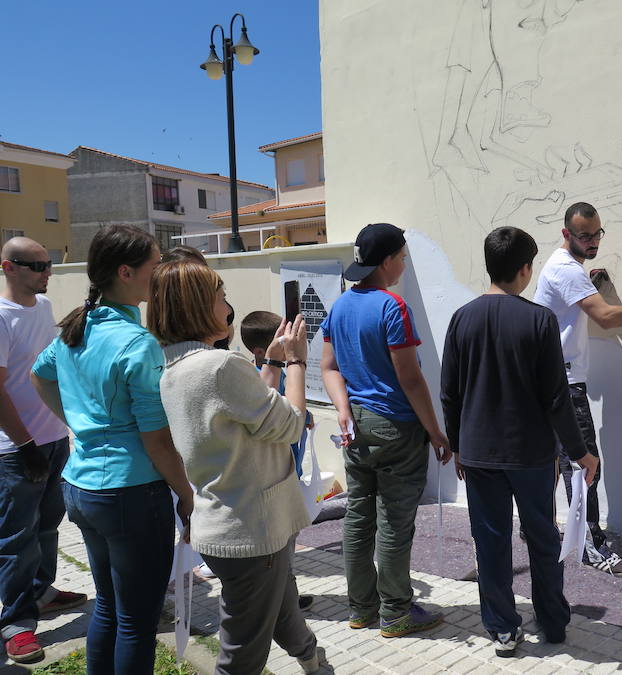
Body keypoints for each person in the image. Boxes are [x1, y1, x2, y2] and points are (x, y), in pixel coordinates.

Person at [30, 225, 193, 674]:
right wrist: (188, 494)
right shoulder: (136, 343)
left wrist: (80, 425)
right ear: (126, 272)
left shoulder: (76, 328)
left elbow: (39, 375)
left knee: (109, 607)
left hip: (82, 486)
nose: (159, 273)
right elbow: (157, 440)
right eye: (154, 264)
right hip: (130, 494)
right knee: (136, 621)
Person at [148, 262, 320, 675]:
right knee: (241, 655)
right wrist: (297, 362)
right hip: (251, 532)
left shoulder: (174, 365)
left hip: (228, 522)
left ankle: (312, 659)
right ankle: (311, 658)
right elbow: (291, 423)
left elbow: (252, 412)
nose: (228, 308)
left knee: (280, 613)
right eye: (221, 297)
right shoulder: (219, 366)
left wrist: (274, 363)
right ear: (197, 307)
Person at [441, 226, 598, 655]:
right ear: (526, 270)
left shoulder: (462, 318)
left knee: (490, 541)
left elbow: (449, 392)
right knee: (542, 536)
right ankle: (552, 622)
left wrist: (456, 445)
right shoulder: (539, 319)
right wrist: (580, 451)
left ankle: (503, 629)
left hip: (478, 453)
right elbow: (555, 397)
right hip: (531, 454)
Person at [533, 202, 622, 577]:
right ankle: (592, 548)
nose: (593, 240)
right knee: (584, 467)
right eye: (585, 236)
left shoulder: (566, 268)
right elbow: (605, 316)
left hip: (546, 379)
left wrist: (590, 282)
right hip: (564, 385)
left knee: (550, 465)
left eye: (598, 233)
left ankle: (538, 530)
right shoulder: (567, 270)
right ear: (567, 234)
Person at [321, 223, 451, 638]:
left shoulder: (340, 306)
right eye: (403, 258)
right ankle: (395, 612)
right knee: (394, 521)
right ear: (387, 261)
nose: (404, 264)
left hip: (356, 426)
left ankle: (361, 608)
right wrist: (436, 431)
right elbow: (410, 379)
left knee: (358, 517)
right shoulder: (392, 306)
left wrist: (343, 409)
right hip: (396, 427)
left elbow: (327, 367)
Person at [0, 238, 87, 664]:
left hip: (53, 439)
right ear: (8, 267)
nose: (46, 272)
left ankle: (42, 591)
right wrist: (26, 444)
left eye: (48, 263)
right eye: (35, 266)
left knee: (49, 525)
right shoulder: (1, 317)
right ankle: (16, 624)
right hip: (16, 450)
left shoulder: (45, 307)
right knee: (16, 537)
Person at [240, 310, 315, 479]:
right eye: (283, 343)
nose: (289, 346)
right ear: (260, 352)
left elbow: (290, 400)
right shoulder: (255, 379)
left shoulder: (280, 371)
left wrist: (307, 416)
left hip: (293, 459)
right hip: (278, 468)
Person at [160, 246, 234, 350]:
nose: (201, 276)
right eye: (192, 273)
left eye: (203, 269)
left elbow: (228, 336)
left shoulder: (217, 298)